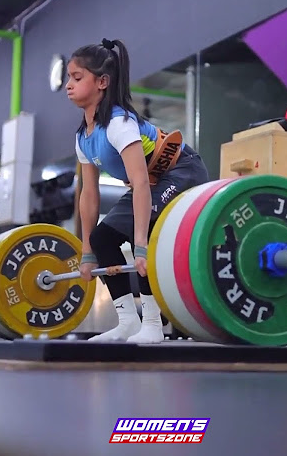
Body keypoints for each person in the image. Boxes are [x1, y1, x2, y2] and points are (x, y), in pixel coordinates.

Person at [66, 38, 209, 343]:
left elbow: (141, 183)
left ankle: (154, 324)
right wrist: (87, 251)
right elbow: (89, 195)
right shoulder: (83, 138)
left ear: (102, 82)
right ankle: (129, 321)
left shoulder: (119, 124)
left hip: (181, 171)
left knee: (146, 231)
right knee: (102, 238)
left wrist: (142, 246)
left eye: (77, 78)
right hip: (152, 179)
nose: (69, 85)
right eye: (69, 77)